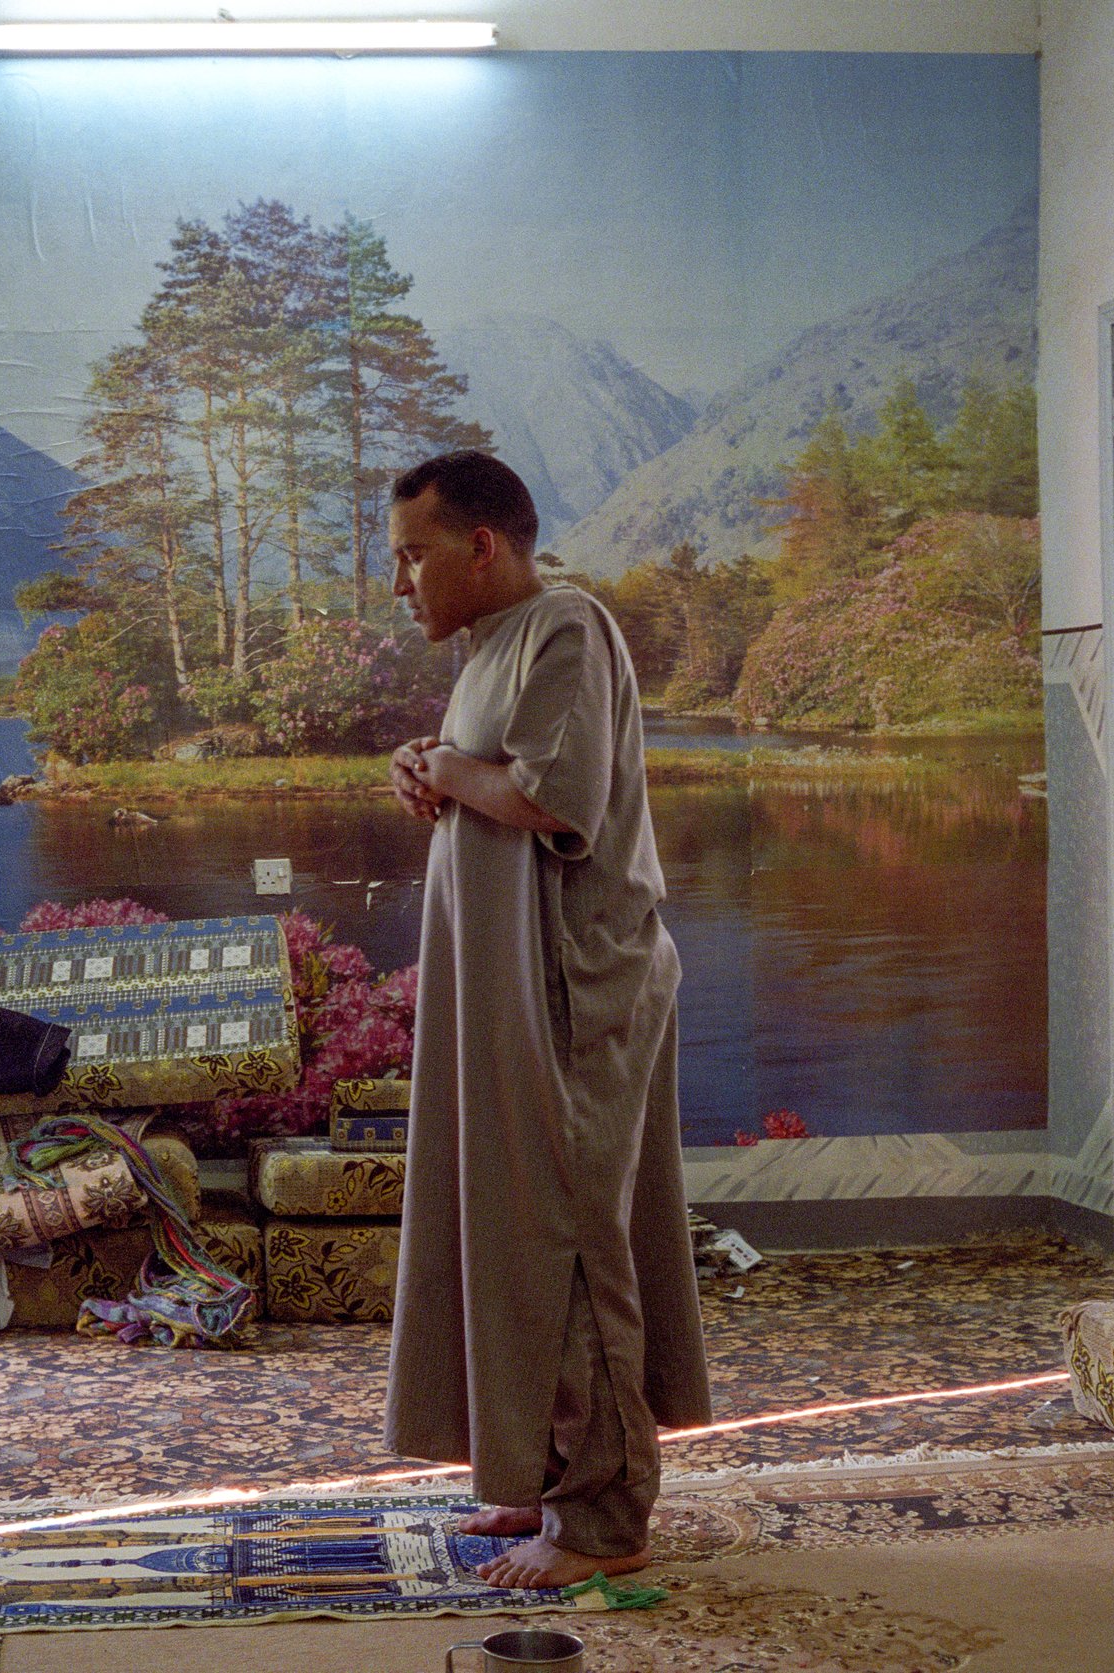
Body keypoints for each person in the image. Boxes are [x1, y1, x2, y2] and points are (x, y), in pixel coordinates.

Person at [381, 450, 711, 1589]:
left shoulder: (567, 624)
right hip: (514, 984)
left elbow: (547, 797)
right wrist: (429, 766)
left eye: (413, 555)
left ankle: (604, 1519)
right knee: (519, 1229)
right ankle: (545, 1467)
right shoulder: (493, 646)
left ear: (483, 545)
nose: (400, 583)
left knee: (569, 1240)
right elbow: (490, 776)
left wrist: (451, 768)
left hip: (571, 984)